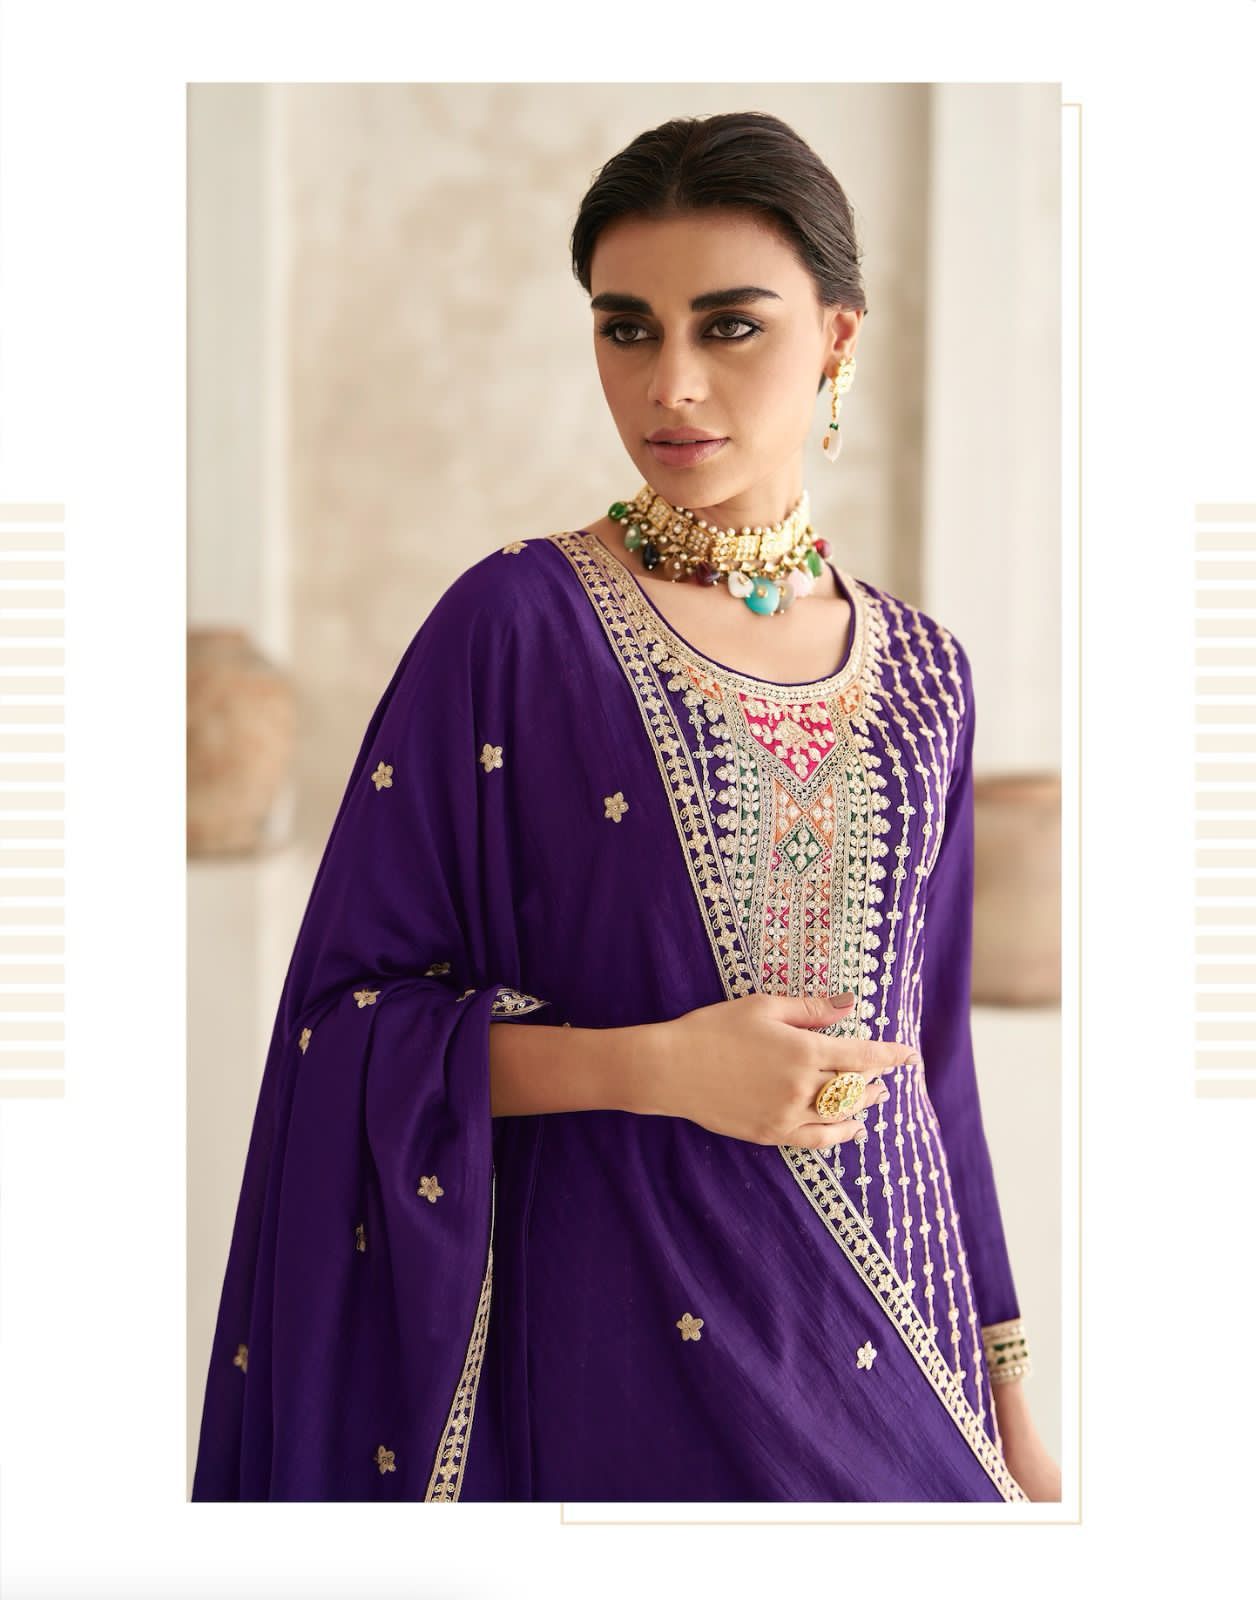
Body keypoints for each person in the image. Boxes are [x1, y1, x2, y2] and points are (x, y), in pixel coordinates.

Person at [191, 109, 1061, 1504]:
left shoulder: (925, 675)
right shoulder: (515, 629)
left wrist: (1008, 1396)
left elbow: (932, 1062)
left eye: (732, 327)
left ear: (837, 337)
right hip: (616, 1353)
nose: (673, 385)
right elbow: (346, 1027)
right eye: (627, 328)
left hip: (899, 1353)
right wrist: (657, 1068)